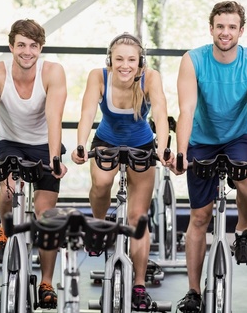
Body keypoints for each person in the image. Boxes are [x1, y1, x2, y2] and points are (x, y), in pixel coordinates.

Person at [171, 1, 247, 312]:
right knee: (199, 217)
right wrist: (180, 151)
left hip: (238, 137)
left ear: (241, 31)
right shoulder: (193, 60)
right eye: (220, 26)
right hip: (201, 140)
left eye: (232, 27)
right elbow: (186, 110)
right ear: (211, 28)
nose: (225, 32)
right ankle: (193, 291)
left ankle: (241, 230)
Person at [0, 19, 67, 308]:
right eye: (21, 45)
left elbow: (54, 119)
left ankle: (46, 282)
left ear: (40, 48)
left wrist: (56, 159)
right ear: (11, 46)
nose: (26, 51)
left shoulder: (52, 72)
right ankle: (4, 226)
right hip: (10, 142)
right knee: (9, 193)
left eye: (33, 46)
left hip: (44, 144)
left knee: (46, 215)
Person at [71, 32, 172, 310]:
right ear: (110, 60)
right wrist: (80, 144)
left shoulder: (150, 78)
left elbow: (161, 114)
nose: (125, 65)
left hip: (142, 144)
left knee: (139, 217)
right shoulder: (98, 76)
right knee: (102, 184)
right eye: (119, 59)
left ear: (140, 61)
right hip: (107, 141)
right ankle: (99, 226)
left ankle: (139, 285)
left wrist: (163, 148)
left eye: (131, 60)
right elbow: (87, 113)